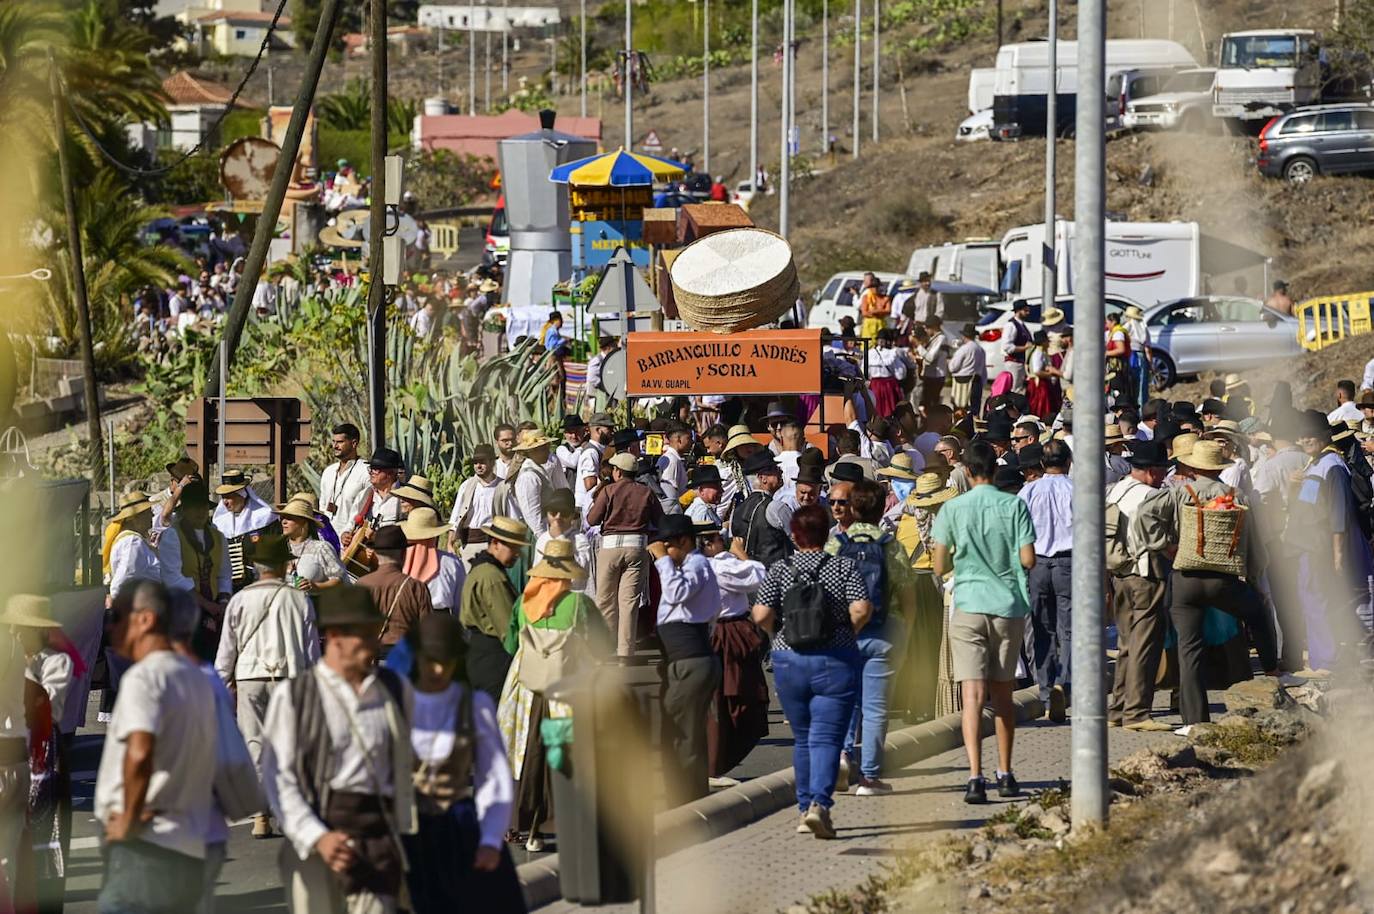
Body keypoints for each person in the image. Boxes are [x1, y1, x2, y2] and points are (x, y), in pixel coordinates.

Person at [260, 585, 418, 914]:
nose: (375, 642)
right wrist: (318, 837)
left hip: (378, 840)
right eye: (365, 634)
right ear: (334, 636)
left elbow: (411, 764)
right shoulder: (295, 697)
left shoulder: (393, 689)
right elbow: (278, 778)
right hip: (316, 844)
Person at [1133, 440, 1283, 727]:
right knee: (1258, 612)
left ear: (1192, 466)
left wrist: (1164, 546)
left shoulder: (1179, 493)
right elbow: (1253, 544)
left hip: (1186, 579)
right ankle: (1271, 668)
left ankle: (1194, 721)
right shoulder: (1236, 496)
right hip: (1224, 580)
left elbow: (1144, 514)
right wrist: (1252, 577)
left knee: (1189, 652)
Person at [95, 580, 218, 913]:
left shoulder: (144, 677)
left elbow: (140, 752)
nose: (111, 628)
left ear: (145, 620)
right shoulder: (198, 676)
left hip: (146, 842)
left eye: (116, 617)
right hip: (185, 837)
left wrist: (130, 819)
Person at [752, 505, 871, 839]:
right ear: (827, 532)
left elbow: (760, 613)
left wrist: (778, 634)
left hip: (790, 660)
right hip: (835, 658)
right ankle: (820, 804)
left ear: (794, 536)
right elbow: (861, 607)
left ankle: (804, 807)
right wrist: (848, 631)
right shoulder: (843, 566)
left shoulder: (779, 568)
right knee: (828, 738)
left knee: (803, 738)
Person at [930, 441, 1036, 804]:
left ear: (968, 471)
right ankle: (1005, 773)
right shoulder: (1014, 505)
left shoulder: (952, 509)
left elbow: (940, 565)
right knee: (1004, 696)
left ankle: (975, 777)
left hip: (969, 605)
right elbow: (1028, 558)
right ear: (993, 469)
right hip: (1006, 606)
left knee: (972, 697)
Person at [400, 615, 525, 912]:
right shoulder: (397, 703)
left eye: (447, 660)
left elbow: (493, 775)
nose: (439, 669)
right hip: (408, 830)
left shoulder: (473, 705)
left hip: (458, 827)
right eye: (431, 660)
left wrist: (491, 838)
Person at [497, 540, 605, 853]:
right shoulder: (579, 605)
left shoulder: (524, 602)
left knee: (526, 752)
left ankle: (529, 828)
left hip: (527, 687)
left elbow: (510, 643)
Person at [213, 535, 320, 839]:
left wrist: (220, 682)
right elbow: (312, 650)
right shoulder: (298, 599)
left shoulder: (240, 599)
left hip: (250, 678)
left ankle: (261, 815)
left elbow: (227, 649)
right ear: (285, 565)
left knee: (255, 745)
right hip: (290, 677)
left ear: (255, 566)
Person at [831, 480, 917, 796]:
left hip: (845, 632)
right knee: (876, 708)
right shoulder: (891, 547)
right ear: (883, 509)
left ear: (852, 508)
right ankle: (869, 777)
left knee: (846, 701)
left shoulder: (836, 544)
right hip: (885, 633)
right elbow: (908, 598)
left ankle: (842, 756)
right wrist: (905, 635)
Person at [1284, 413, 1374, 675]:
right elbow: (1307, 505)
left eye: (1311, 434)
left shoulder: (1331, 465)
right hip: (1310, 544)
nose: (1305, 439)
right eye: (1302, 434)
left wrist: (1337, 554)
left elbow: (1338, 513)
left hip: (1320, 545)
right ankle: (1322, 658)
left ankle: (1327, 660)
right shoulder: (1317, 464)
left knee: (1319, 599)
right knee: (1312, 599)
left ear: (1325, 435)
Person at [651, 514, 724, 804]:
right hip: (682, 659)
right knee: (682, 731)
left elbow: (676, 591)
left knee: (681, 733)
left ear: (683, 542)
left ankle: (685, 800)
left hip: (691, 659)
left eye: (668, 546)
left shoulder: (697, 564)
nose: (664, 552)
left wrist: (662, 561)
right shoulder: (686, 566)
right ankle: (688, 796)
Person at [1105, 441, 1175, 731]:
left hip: (1119, 573)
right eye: (1160, 471)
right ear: (1151, 470)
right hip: (1145, 574)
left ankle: (1118, 709)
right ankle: (1137, 712)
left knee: (1125, 645)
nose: (1162, 476)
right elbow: (1160, 538)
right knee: (1145, 644)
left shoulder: (1117, 489)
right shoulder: (1152, 496)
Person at [11, 596, 75, 913]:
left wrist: (20, 670)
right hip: (14, 757)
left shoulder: (56, 662)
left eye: (19, 629)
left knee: (47, 836)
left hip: (46, 755)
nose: (14, 634)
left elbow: (47, 706)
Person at [699, 524, 769, 785]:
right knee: (734, 696)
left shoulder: (700, 566)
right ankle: (715, 763)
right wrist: (741, 553)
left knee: (724, 697)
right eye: (718, 538)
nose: (723, 541)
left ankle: (717, 761)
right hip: (730, 632)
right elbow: (759, 576)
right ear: (708, 543)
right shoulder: (720, 566)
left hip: (719, 631)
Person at [892, 473, 957, 720]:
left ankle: (911, 703)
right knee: (932, 644)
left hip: (908, 583)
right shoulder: (940, 522)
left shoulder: (906, 519)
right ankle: (929, 701)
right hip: (931, 585)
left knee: (912, 646)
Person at [1017, 439, 1073, 723]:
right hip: (1069, 563)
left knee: (1042, 630)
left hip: (1036, 564)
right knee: (1069, 630)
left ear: (1041, 464)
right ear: (1069, 462)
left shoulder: (1028, 492)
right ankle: (1065, 682)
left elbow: (1018, 532)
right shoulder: (1077, 490)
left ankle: (1047, 693)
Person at [587, 452, 664, 658]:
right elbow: (660, 520)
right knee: (629, 602)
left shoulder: (609, 491)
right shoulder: (646, 492)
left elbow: (592, 519)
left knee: (604, 600)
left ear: (617, 472)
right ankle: (625, 653)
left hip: (610, 548)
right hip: (637, 548)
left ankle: (604, 648)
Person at [157, 480, 232, 661]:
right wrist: (207, 605)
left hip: (214, 611)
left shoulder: (218, 537)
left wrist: (222, 601)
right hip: (183, 612)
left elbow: (224, 573)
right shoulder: (172, 536)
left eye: (203, 507)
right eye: (194, 507)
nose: (200, 512)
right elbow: (173, 579)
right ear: (184, 510)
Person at [460, 517, 530, 700]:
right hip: (492, 659)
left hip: (478, 655)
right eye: (512, 548)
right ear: (496, 543)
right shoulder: (492, 578)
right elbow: (509, 629)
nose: (517, 554)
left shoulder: (481, 569)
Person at [358, 526, 435, 655]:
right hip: (404, 659)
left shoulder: (360, 585)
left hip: (368, 659)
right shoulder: (416, 588)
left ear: (376, 553)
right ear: (403, 554)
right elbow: (428, 632)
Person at [213, 470, 282, 593]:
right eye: (223, 497)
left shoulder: (265, 519)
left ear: (242, 495)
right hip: (227, 588)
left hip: (259, 585)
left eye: (229, 496)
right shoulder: (219, 524)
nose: (225, 502)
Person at [731, 450, 794, 566]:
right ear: (762, 478)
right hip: (774, 574)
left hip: (746, 575)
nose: (780, 471)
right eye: (775, 469)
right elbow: (798, 540)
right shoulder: (776, 507)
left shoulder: (738, 509)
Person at [277, 497, 349, 592]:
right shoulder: (279, 548)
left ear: (304, 522)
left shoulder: (321, 548)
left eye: (289, 518)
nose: (283, 522)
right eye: (282, 518)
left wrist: (316, 586)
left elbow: (341, 579)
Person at [402, 508, 467, 613]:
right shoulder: (451, 563)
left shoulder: (400, 562)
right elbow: (460, 604)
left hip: (407, 619)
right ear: (436, 535)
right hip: (440, 622)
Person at [449, 444, 502, 567]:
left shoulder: (502, 487)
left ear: (492, 462)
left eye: (482, 462)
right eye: (475, 462)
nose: (478, 466)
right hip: (469, 543)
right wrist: (450, 543)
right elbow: (456, 517)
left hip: (494, 543)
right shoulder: (466, 486)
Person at [533, 489, 594, 597]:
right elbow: (536, 574)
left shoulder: (580, 540)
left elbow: (580, 573)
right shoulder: (543, 539)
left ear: (571, 516)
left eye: (564, 513)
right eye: (553, 512)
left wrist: (560, 538)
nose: (558, 517)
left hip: (572, 598)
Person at [318, 424, 371, 540]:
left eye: (340, 442)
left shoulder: (365, 472)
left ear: (354, 443)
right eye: (333, 441)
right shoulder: (329, 472)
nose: (335, 446)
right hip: (326, 539)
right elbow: (322, 508)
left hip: (350, 540)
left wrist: (351, 532)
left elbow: (366, 509)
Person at [107, 492, 161, 598]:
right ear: (135, 518)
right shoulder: (132, 542)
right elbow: (121, 584)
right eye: (147, 512)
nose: (152, 515)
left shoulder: (133, 540)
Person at [507, 430, 558, 538]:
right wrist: (543, 537)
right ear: (532, 451)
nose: (548, 452)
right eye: (543, 449)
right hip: (538, 534)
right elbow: (531, 513)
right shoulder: (528, 477)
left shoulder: (538, 470)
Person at [866, 329, 907, 418]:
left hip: (874, 386)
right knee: (890, 412)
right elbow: (900, 374)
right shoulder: (892, 353)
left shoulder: (870, 353)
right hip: (888, 386)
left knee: (874, 411)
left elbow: (864, 372)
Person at [948, 323, 986, 415]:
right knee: (974, 410)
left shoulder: (963, 349)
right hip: (977, 381)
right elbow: (983, 369)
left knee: (960, 409)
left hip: (963, 382)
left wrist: (949, 362)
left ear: (964, 336)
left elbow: (953, 367)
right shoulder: (980, 350)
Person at [657, 421, 693, 504]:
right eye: (689, 438)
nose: (691, 442)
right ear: (679, 440)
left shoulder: (673, 459)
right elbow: (669, 496)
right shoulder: (672, 461)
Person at [918, 316, 950, 413]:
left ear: (935, 327)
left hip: (936, 376)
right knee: (926, 404)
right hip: (930, 375)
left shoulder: (941, 339)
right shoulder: (933, 338)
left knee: (932, 405)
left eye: (928, 327)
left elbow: (930, 358)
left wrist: (918, 346)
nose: (926, 330)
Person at [1001, 301, 1033, 395]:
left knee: (1018, 389)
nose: (1028, 312)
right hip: (1013, 362)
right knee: (1014, 390)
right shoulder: (1011, 325)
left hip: (1020, 362)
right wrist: (1025, 348)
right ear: (1018, 311)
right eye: (1025, 310)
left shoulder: (1021, 325)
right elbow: (1007, 347)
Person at [554, 415, 587, 490]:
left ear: (583, 431)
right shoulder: (561, 449)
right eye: (570, 432)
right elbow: (573, 462)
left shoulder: (589, 447)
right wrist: (582, 447)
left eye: (577, 432)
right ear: (565, 434)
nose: (574, 436)